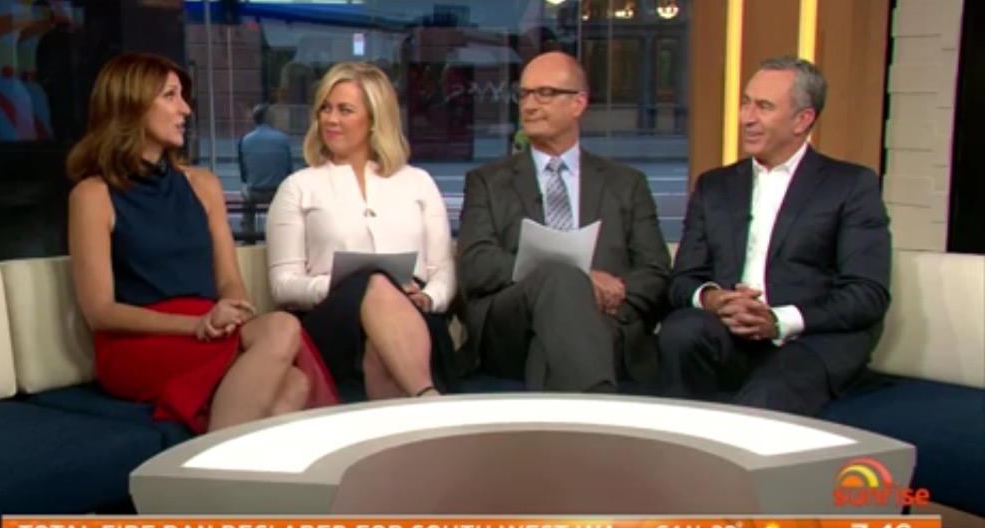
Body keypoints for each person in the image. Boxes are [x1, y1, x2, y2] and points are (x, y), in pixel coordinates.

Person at [66, 52, 337, 435]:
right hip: (139, 343)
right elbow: (100, 312)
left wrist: (232, 314)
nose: (186, 109)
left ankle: (218, 465)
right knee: (283, 341)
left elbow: (229, 281)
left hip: (208, 328)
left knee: (293, 375)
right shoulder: (92, 195)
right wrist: (195, 325)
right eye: (170, 96)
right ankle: (221, 464)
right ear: (132, 104)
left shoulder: (203, 185)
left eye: (183, 96)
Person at [659, 56, 892, 416]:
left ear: (803, 119)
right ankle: (682, 440)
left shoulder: (850, 185)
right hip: (730, 332)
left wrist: (778, 320)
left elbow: (867, 294)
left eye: (764, 107)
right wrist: (714, 300)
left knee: (767, 393)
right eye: (745, 103)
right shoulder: (714, 186)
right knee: (681, 332)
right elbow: (682, 281)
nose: (746, 118)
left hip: (811, 338)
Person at [456, 52, 671, 393]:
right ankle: (598, 404)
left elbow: (655, 272)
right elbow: (476, 265)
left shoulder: (626, 184)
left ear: (578, 103)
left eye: (544, 93)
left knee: (554, 341)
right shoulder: (487, 181)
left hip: (606, 323)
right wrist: (579, 281)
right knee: (561, 280)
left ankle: (581, 412)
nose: (529, 105)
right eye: (524, 94)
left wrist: (600, 300)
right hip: (510, 329)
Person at [266, 61, 457, 400]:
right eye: (325, 108)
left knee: (381, 345)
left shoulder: (418, 182)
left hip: (415, 316)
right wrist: (343, 284)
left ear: (374, 119)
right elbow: (283, 285)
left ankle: (412, 407)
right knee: (376, 282)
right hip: (334, 322)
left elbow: (442, 269)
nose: (330, 119)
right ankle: (427, 398)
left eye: (344, 110)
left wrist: (430, 297)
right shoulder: (298, 187)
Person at [237, 103, 293, 242]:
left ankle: (248, 237)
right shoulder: (282, 139)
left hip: (254, 192)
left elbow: (244, 174)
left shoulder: (245, 140)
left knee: (245, 196)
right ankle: (280, 237)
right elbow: (289, 170)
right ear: (269, 118)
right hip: (277, 192)